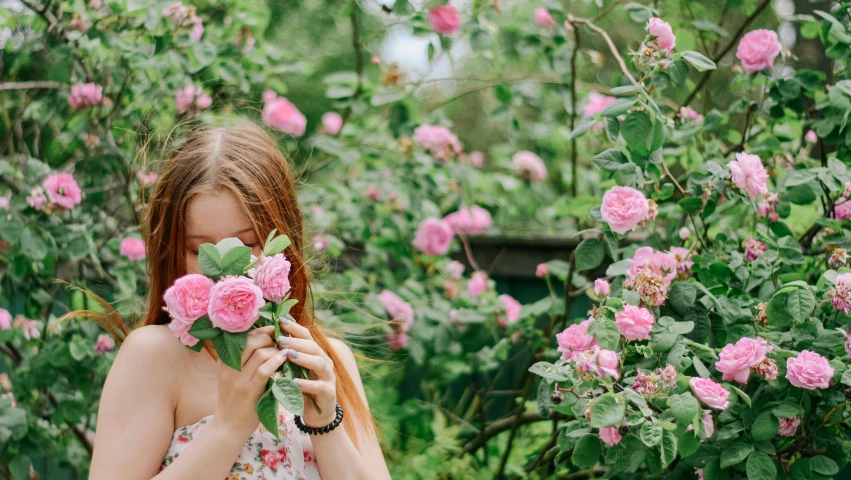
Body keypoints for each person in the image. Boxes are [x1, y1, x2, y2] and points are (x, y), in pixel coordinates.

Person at [87, 123, 390, 480]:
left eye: (247, 245)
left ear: (283, 240)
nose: (226, 273)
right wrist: (228, 428)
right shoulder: (154, 356)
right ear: (174, 253)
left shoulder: (325, 359)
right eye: (201, 250)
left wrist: (325, 423)